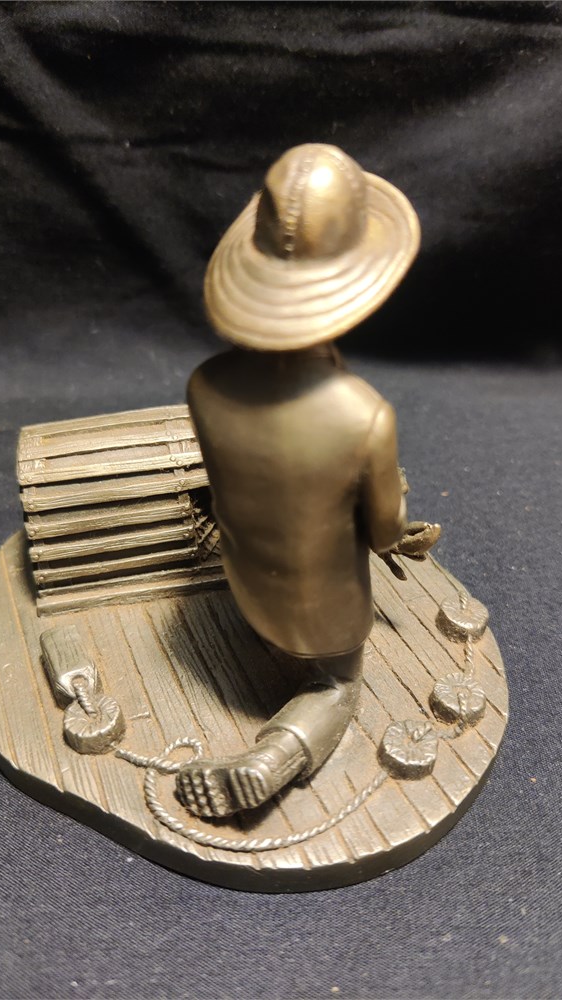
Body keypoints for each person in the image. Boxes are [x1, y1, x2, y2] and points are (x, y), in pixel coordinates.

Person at [176, 144, 436, 819]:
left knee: (272, 626)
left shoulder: (204, 385)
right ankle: (278, 754)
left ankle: (264, 652)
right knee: (339, 685)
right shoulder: (363, 415)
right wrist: (396, 508)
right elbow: (384, 534)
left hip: (244, 586)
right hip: (324, 617)